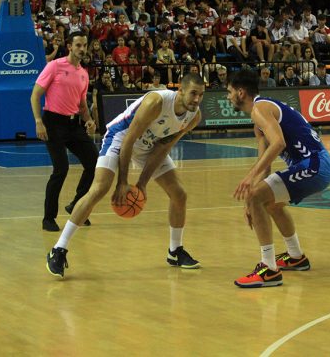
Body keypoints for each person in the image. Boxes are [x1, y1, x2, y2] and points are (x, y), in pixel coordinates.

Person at [45, 73, 206, 278]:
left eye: (201, 95)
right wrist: (122, 182)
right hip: (121, 137)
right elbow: (129, 139)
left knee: (179, 194)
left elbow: (163, 147)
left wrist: (142, 183)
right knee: (100, 188)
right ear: (180, 90)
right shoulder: (156, 102)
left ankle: (175, 251)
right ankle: (58, 249)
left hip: (149, 146)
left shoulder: (194, 116)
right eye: (193, 93)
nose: (197, 100)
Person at [227, 69, 330, 287]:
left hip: (314, 164)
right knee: (269, 203)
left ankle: (269, 269)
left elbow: (278, 143)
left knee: (259, 197)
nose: (228, 97)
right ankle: (296, 257)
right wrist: (251, 198)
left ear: (241, 92)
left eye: (229, 92)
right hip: (317, 165)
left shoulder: (260, 108)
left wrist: (249, 180)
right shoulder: (258, 118)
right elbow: (264, 166)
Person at [30, 32, 98, 231]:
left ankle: (77, 206)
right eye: (78, 45)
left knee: (94, 163)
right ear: (69, 46)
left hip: (73, 125)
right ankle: (48, 218)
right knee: (61, 170)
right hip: (52, 123)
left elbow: (82, 105)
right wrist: (38, 122)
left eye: (84, 45)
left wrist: (89, 120)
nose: (82, 49)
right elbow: (35, 95)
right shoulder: (55, 66)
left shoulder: (84, 73)